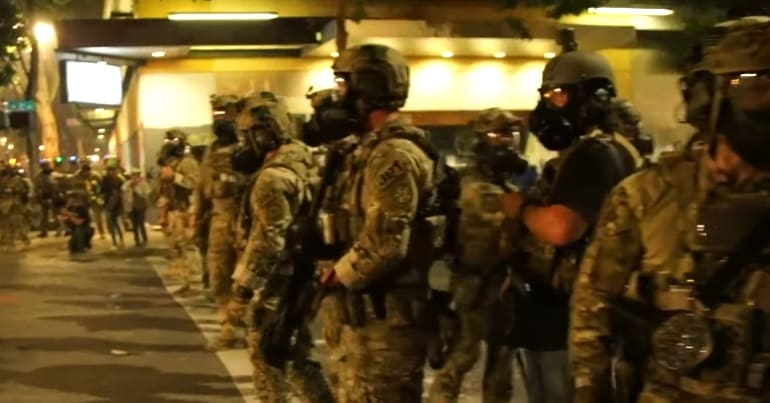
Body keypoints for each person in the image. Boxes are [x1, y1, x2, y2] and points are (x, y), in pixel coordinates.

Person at [570, 18, 770, 403]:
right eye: (754, 85)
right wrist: (589, 390)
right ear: (709, 97)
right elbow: (593, 306)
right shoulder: (649, 194)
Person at [499, 41, 641, 403]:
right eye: (547, 94)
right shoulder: (606, 149)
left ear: (592, 97)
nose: (548, 105)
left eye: (559, 94)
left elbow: (562, 228)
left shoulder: (595, 154)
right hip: (572, 309)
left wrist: (521, 209)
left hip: (571, 315)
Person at [318, 43, 445, 402]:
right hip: (367, 319)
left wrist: (335, 275)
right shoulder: (365, 149)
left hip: (387, 324)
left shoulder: (394, 154)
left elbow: (386, 242)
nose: (337, 95)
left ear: (367, 88)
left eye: (344, 84)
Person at [230, 92, 333, 402]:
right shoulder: (307, 160)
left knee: (266, 354)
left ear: (265, 133)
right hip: (304, 275)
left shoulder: (272, 178)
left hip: (279, 280)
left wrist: (243, 288)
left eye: (249, 135)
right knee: (296, 352)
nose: (245, 144)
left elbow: (269, 239)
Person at [428, 108, 528, 403]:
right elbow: (499, 229)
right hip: (471, 282)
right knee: (462, 354)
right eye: (498, 135)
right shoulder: (473, 185)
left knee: (502, 356)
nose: (506, 142)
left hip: (502, 283)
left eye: (510, 135)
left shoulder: (502, 185)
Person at [196, 94, 248, 351]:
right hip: (218, 220)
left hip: (246, 222)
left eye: (225, 112)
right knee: (219, 276)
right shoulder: (212, 150)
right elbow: (202, 189)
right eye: (216, 112)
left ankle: (247, 326)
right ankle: (228, 326)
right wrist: (198, 224)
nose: (221, 118)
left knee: (248, 278)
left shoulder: (251, 144)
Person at [157, 129, 202, 296]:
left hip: (188, 210)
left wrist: (175, 176)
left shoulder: (188, 162)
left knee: (190, 247)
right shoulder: (172, 163)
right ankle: (187, 282)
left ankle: (196, 283)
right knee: (180, 246)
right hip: (176, 210)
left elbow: (194, 184)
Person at [59, 191, 94, 255]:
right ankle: (82, 244)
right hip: (75, 230)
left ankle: (83, 247)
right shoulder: (70, 208)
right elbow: (62, 219)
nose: (69, 201)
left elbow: (79, 223)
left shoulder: (82, 208)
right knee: (72, 249)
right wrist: (68, 212)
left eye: (71, 199)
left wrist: (69, 215)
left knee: (78, 230)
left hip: (85, 229)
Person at [122, 169, 150, 247]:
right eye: (133, 175)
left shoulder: (143, 183)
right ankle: (136, 239)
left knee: (141, 223)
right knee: (134, 224)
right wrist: (130, 185)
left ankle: (144, 238)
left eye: (136, 175)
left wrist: (137, 188)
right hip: (131, 207)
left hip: (141, 206)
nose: (135, 177)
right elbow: (123, 189)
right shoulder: (128, 183)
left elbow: (146, 193)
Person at [101, 166, 125, 248]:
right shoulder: (108, 180)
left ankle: (117, 241)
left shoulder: (117, 180)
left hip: (115, 205)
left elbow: (102, 191)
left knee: (114, 223)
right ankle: (116, 241)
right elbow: (102, 191)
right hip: (111, 204)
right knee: (113, 224)